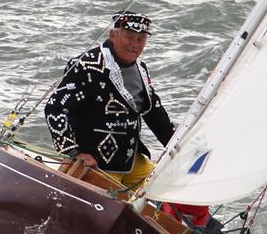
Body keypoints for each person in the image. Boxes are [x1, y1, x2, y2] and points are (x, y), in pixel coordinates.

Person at [44, 11, 174, 190]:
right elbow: (55, 108)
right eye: (129, 37)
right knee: (115, 206)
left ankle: (203, 219)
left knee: (168, 192)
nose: (135, 45)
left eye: (141, 39)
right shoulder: (87, 66)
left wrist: (177, 147)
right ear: (113, 35)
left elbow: (153, 112)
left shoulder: (141, 68)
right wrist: (74, 153)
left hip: (131, 158)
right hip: (96, 163)